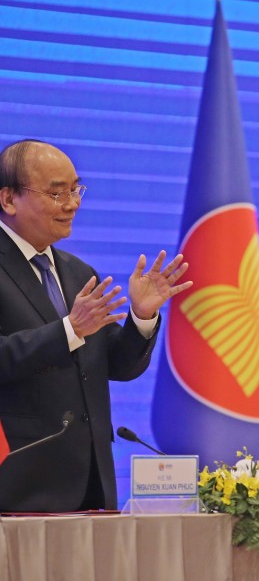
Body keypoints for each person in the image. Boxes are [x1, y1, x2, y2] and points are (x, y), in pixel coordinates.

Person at [0, 139, 192, 512]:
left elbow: (117, 366)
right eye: (57, 193)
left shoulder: (76, 271)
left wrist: (141, 317)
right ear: (8, 199)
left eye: (76, 190)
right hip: (19, 479)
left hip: (90, 478)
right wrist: (69, 330)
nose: (72, 203)